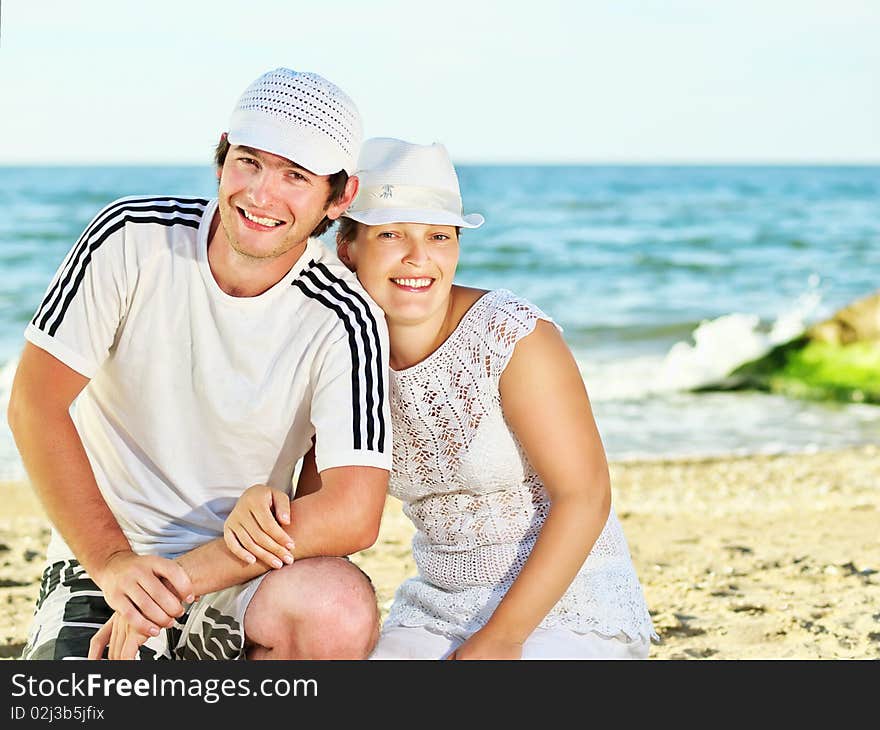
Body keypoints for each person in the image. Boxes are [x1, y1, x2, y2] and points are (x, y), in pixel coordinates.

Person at [7, 68, 392, 660]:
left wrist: (180, 582)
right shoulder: (131, 238)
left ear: (340, 197)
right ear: (221, 160)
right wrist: (113, 563)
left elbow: (354, 512)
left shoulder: (345, 317)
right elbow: (35, 402)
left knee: (336, 607)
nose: (262, 195)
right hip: (108, 562)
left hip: (240, 575)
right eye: (249, 162)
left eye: (295, 176)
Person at [224, 138, 658, 659]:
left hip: (566, 603)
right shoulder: (341, 358)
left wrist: (501, 641)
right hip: (436, 609)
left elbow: (585, 497)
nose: (419, 258)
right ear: (348, 248)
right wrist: (261, 501)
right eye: (391, 234)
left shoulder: (511, 337)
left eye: (439, 236)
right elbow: (332, 516)